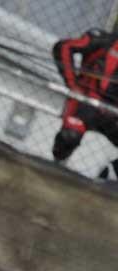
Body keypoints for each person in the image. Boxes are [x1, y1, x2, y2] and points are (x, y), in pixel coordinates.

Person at [51, 28, 118, 175]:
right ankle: (52, 173)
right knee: (69, 137)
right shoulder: (104, 40)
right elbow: (64, 47)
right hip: (86, 104)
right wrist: (72, 84)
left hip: (113, 114)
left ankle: (110, 175)